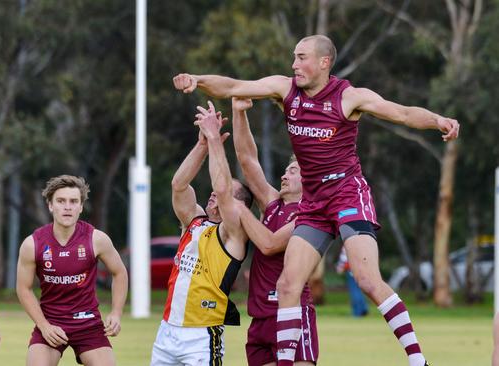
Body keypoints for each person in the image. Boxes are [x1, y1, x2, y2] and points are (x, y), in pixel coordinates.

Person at [173, 34, 459, 366]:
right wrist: (197, 80)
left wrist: (438, 119)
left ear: (324, 62)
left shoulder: (350, 98)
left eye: (302, 57)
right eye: (294, 57)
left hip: (348, 194)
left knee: (367, 279)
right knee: (288, 284)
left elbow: (403, 113)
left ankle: (418, 360)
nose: (294, 64)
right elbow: (233, 86)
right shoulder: (286, 90)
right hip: (314, 204)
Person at [150, 101, 252, 365]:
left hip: (202, 334)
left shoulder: (234, 233)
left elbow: (222, 189)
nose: (213, 195)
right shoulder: (195, 221)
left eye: (222, 196)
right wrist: (203, 145)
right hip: (167, 329)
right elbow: (179, 184)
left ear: (236, 205)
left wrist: (215, 138)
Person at [231, 97, 317, 366]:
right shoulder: (272, 204)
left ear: (309, 179)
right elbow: (247, 160)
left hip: (291, 312)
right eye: (285, 171)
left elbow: (268, 244)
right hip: (260, 319)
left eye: (292, 171)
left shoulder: (310, 214)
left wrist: (241, 210)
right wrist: (239, 113)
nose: (284, 175)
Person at [16, 174, 128, 366]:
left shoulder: (96, 239)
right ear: (51, 205)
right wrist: (44, 326)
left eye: (73, 201)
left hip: (88, 323)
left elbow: (120, 273)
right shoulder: (32, 244)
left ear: (81, 207)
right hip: (51, 323)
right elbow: (23, 289)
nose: (67, 206)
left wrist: (116, 313)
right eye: (61, 201)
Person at [335, 246, 368, 317]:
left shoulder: (348, 243)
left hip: (351, 271)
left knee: (354, 291)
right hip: (361, 270)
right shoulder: (361, 242)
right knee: (360, 290)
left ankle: (357, 312)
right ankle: (363, 309)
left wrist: (340, 267)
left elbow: (344, 258)